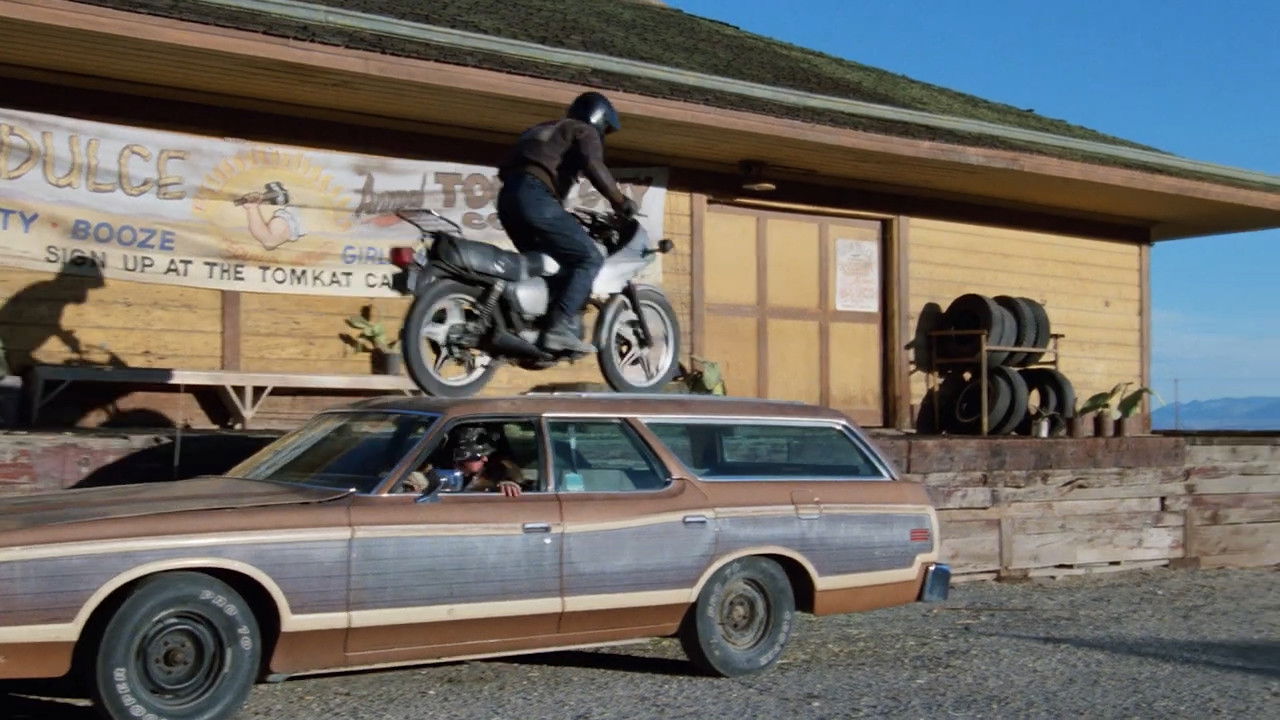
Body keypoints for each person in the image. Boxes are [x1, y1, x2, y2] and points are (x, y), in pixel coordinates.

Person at [497, 91, 638, 355]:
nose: (603, 134)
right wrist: (620, 202)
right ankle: (559, 328)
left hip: (508, 199)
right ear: (599, 118)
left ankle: (532, 323)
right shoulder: (583, 130)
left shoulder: (540, 130)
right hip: (536, 197)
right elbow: (593, 164)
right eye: (605, 128)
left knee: (546, 264)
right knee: (589, 258)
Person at [398, 427, 526, 497]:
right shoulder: (435, 467)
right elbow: (414, 478)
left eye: (486, 455)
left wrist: (508, 483)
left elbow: (512, 474)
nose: (485, 459)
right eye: (478, 457)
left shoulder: (497, 470)